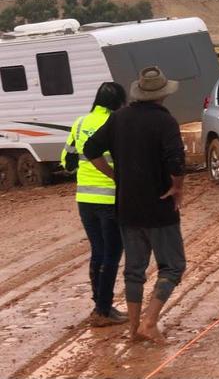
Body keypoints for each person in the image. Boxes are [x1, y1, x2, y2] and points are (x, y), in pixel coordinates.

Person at [84, 66, 186, 343]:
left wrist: (115, 175)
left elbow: (90, 149)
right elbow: (176, 159)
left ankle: (133, 329)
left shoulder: (119, 118)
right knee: (173, 266)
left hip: (127, 206)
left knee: (134, 269)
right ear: (163, 94)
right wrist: (176, 187)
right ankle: (150, 323)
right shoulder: (166, 122)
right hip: (159, 206)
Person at [61, 82, 128, 327]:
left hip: (84, 199)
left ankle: (99, 304)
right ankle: (103, 309)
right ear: (119, 102)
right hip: (109, 198)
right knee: (111, 253)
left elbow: (66, 160)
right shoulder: (116, 124)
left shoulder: (79, 123)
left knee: (98, 251)